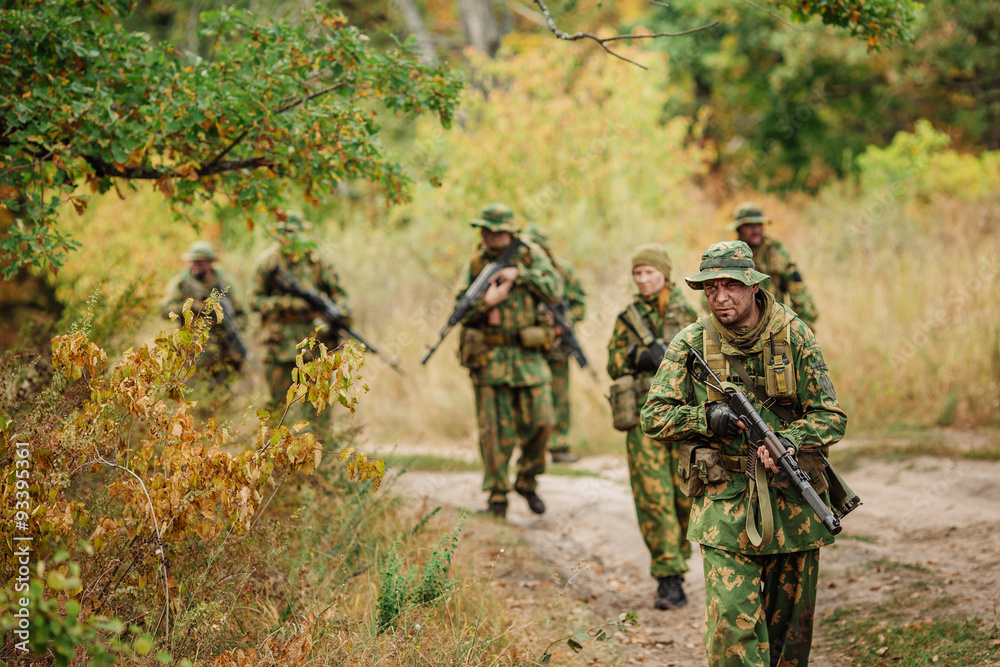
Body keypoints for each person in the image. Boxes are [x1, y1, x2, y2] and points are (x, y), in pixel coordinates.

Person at [640, 240, 847, 666]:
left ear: (752, 286)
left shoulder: (794, 335)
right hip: (724, 500)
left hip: (793, 502)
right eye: (710, 288)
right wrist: (706, 417)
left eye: (729, 286)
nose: (719, 297)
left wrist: (790, 440)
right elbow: (653, 415)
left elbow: (831, 417)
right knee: (732, 631)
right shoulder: (691, 342)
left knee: (789, 640)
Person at [456, 203, 563, 518]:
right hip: (489, 358)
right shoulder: (476, 263)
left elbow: (556, 289)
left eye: (494, 230)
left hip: (528, 356)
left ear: (509, 232)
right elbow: (460, 310)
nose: (488, 235)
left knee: (543, 422)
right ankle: (497, 495)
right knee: (493, 431)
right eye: (484, 230)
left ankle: (527, 480)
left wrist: (520, 275)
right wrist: (484, 303)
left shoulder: (531, 256)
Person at [606, 244, 698, 610]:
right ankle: (669, 577)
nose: (643, 280)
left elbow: (707, 360)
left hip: (683, 419)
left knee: (683, 497)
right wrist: (638, 356)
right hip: (644, 420)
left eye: (650, 273)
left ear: (665, 274)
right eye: (638, 273)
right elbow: (613, 363)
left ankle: (679, 559)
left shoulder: (688, 312)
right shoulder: (627, 317)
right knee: (652, 497)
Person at [251, 212, 351, 425]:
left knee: (318, 405)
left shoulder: (316, 261)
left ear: (301, 234)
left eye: (293, 233)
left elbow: (340, 295)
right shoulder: (268, 262)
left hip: (314, 345)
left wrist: (338, 313)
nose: (288, 238)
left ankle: (320, 453)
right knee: (276, 407)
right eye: (284, 232)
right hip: (279, 345)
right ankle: (271, 454)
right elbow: (254, 301)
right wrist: (287, 304)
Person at [524, 224, 586, 464]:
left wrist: (565, 323)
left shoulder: (563, 272)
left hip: (557, 346)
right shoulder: (520, 273)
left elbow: (579, 303)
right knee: (530, 398)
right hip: (528, 346)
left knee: (559, 396)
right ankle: (531, 446)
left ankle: (558, 445)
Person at [161, 240, 247, 382]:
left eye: (199, 262)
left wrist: (231, 330)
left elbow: (242, 315)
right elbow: (165, 310)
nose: (195, 265)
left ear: (210, 262)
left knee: (222, 397)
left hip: (221, 353)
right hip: (191, 353)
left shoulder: (224, 284)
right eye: (192, 261)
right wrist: (193, 307)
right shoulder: (181, 283)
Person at [731, 202, 818, 327]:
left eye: (759, 225)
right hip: (739, 327)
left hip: (774, 323)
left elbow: (798, 289)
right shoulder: (729, 254)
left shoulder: (776, 251)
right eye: (750, 225)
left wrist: (803, 325)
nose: (756, 230)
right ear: (739, 228)